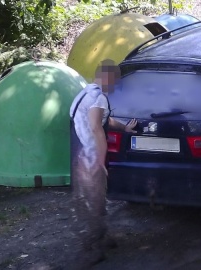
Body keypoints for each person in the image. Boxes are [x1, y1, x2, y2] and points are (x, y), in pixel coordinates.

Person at [69, 59, 137, 268]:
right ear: (107, 77)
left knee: (90, 199)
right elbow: (97, 128)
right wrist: (100, 160)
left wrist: (124, 127)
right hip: (90, 158)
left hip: (79, 154)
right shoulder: (98, 98)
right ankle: (93, 249)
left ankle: (102, 237)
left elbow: (103, 121)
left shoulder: (85, 93)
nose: (115, 85)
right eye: (114, 81)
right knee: (93, 202)